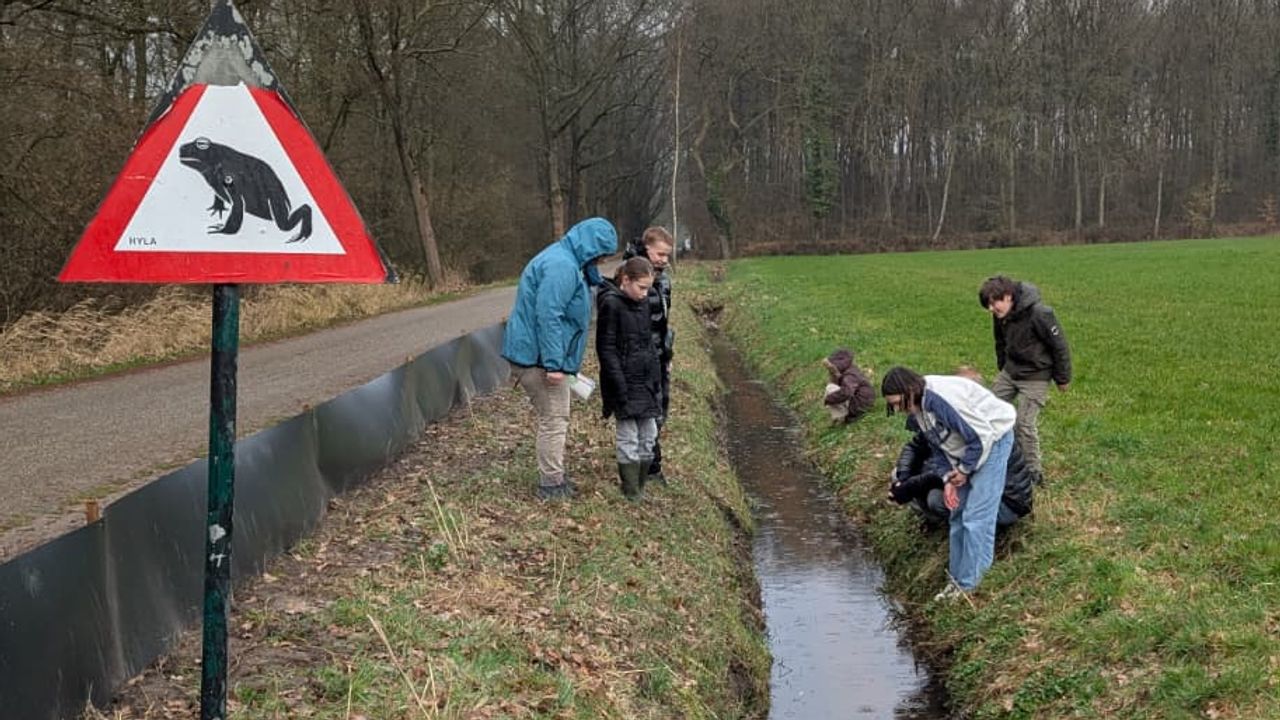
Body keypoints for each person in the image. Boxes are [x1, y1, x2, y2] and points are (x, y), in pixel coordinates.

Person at [502, 217, 618, 500]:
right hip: (538, 359)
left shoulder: (567, 260)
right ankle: (551, 485)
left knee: (556, 415)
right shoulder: (561, 267)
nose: (602, 261)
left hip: (538, 354)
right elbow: (549, 315)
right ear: (591, 248)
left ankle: (554, 477)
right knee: (554, 417)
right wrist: (554, 364)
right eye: (601, 256)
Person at [881, 366, 1015, 598]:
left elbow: (980, 437)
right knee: (957, 513)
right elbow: (937, 446)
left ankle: (971, 586)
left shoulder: (943, 400)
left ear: (909, 391)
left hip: (993, 441)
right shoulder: (919, 407)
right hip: (967, 450)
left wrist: (963, 471)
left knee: (976, 516)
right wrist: (948, 479)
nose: (897, 409)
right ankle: (956, 581)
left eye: (897, 403)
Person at [978, 275, 1072, 484]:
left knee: (1024, 423)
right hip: (1011, 371)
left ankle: (1032, 472)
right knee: (988, 410)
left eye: (994, 303)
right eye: (988, 305)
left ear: (1009, 296)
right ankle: (996, 456)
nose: (991, 309)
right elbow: (1000, 341)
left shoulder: (1040, 314)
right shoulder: (1000, 315)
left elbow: (1060, 345)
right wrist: (1002, 366)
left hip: (1036, 376)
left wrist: (1063, 378)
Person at [596, 257, 663, 500]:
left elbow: (648, 343)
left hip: (644, 382)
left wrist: (655, 375)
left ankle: (640, 484)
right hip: (623, 382)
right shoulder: (611, 305)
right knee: (629, 437)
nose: (645, 294)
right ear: (626, 280)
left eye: (648, 288)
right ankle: (631, 490)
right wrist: (618, 385)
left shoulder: (643, 305)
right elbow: (606, 349)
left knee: (649, 435)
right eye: (641, 287)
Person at [621, 227, 675, 484]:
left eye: (667, 255)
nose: (664, 259)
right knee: (646, 414)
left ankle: (650, 466)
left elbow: (662, 322)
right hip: (641, 361)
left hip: (659, 357)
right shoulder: (632, 277)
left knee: (660, 410)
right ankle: (649, 470)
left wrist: (668, 354)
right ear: (646, 248)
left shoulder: (662, 279)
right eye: (660, 254)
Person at [822, 348, 876, 423]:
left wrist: (828, 399)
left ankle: (841, 417)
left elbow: (847, 392)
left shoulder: (849, 375)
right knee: (833, 388)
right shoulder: (851, 370)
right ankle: (842, 417)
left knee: (830, 388)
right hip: (863, 402)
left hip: (860, 405)